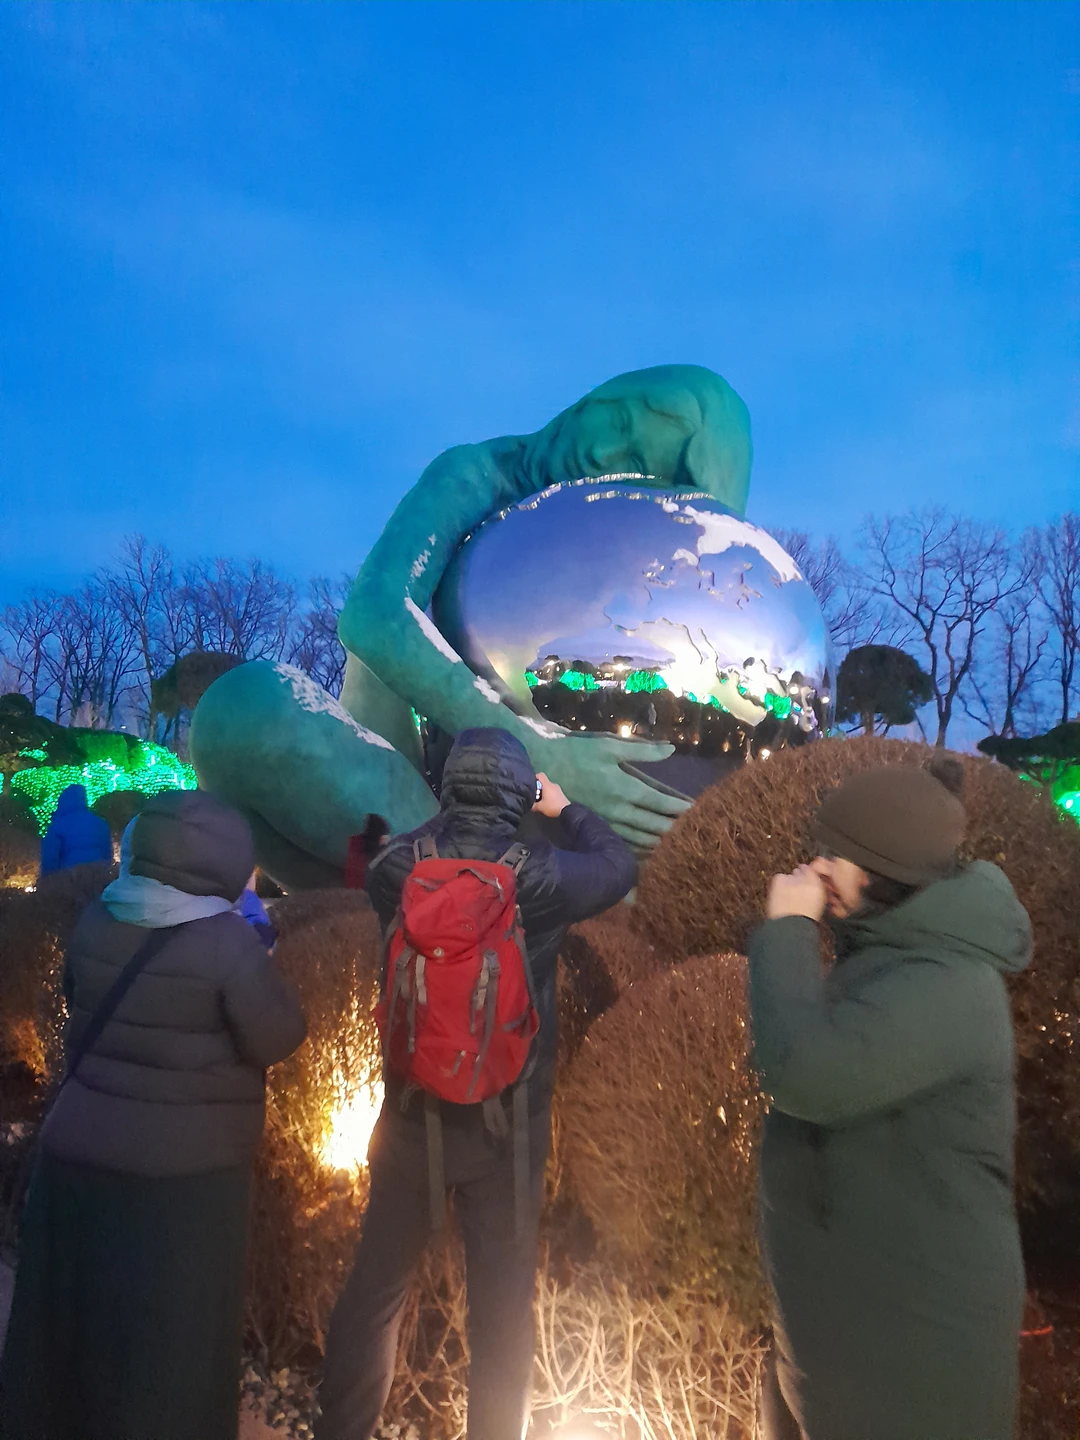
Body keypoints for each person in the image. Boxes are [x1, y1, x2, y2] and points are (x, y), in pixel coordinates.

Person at [316, 726, 637, 1440]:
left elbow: (407, 849)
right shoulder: (543, 877)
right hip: (508, 1125)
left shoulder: (396, 867)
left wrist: (447, 809)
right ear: (520, 791)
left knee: (375, 1291)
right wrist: (560, 807)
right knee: (500, 1309)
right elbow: (619, 866)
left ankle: (340, 1429)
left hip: (409, 1116)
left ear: (449, 787)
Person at [0, 789, 307, 1440]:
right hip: (183, 1183)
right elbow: (278, 1037)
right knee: (166, 1348)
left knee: (79, 1323)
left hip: (78, 1156)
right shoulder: (228, 941)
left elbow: (79, 1001)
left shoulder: (99, 916)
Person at [748, 764, 1032, 1440]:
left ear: (881, 870)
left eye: (831, 855)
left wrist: (787, 933)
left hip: (913, 1359)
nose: (814, 869)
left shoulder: (949, 984)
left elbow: (807, 1073)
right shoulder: (894, 948)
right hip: (845, 1334)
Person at [37, 783, 112, 878]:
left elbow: (50, 856)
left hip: (69, 875)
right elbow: (107, 851)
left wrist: (46, 879)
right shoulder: (100, 822)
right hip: (97, 873)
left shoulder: (58, 825)